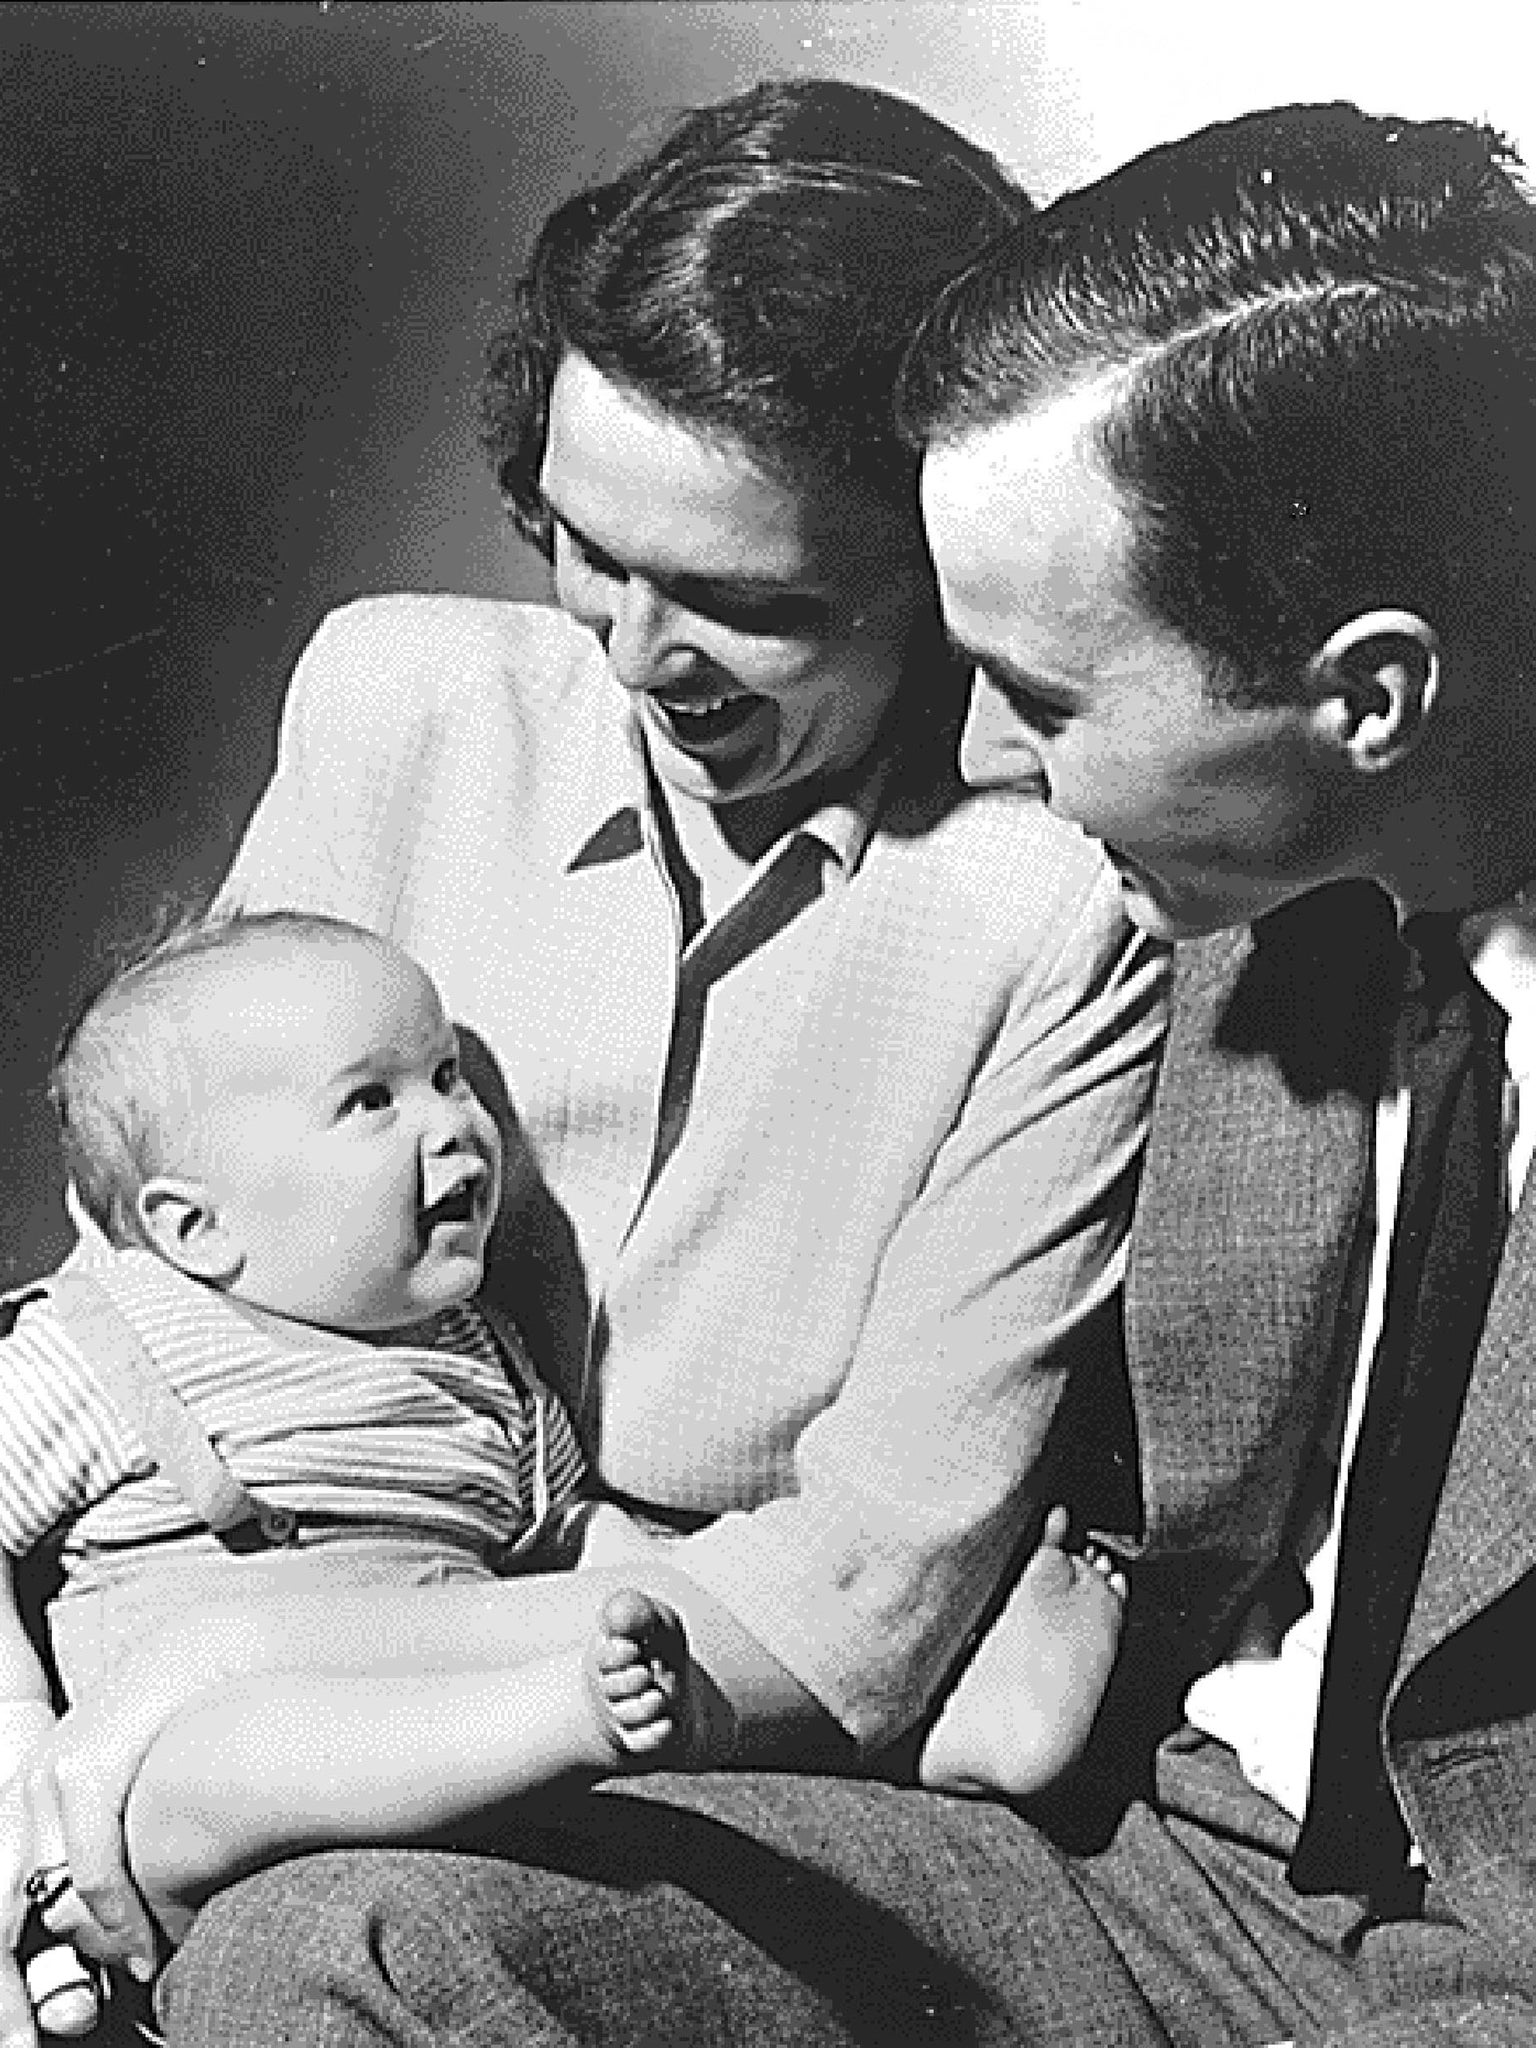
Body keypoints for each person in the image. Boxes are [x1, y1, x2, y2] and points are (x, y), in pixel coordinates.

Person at [72, 96, 1536, 2045]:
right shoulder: (1247, 888)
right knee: (326, 1950)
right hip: (1181, 1843)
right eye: (581, 553)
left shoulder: (1102, 893)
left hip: (1389, 1910)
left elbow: (884, 1584)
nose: (635, 658)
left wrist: (234, 1685)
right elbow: (134, 1306)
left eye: (1036, 696)